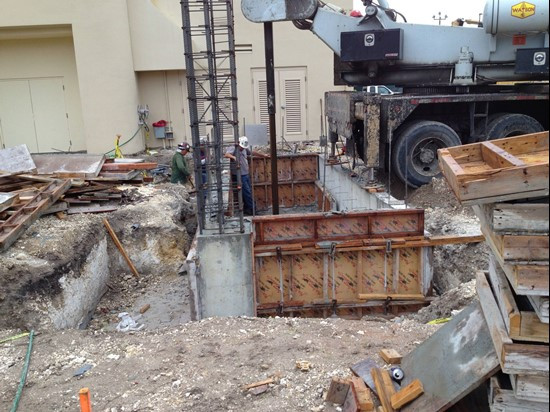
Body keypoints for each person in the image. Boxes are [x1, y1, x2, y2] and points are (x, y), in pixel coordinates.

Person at [224, 136, 257, 216]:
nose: (242, 148)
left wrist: (264, 155)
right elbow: (226, 154)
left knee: (247, 193)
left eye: (243, 147)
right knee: (247, 193)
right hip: (239, 175)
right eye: (241, 147)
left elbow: (252, 152)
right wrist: (234, 157)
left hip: (245, 174)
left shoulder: (244, 149)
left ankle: (248, 209)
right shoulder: (233, 147)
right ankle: (253, 210)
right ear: (239, 143)